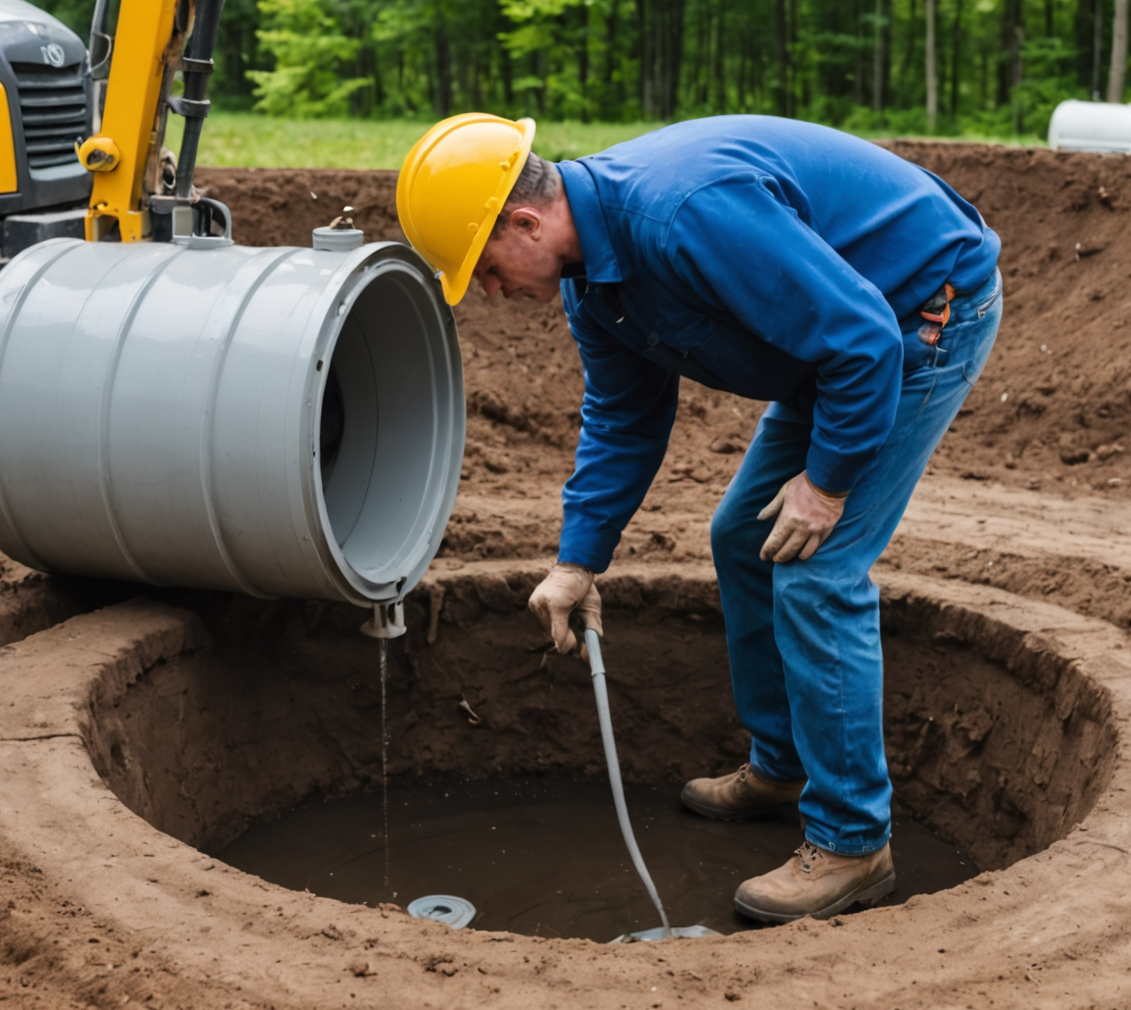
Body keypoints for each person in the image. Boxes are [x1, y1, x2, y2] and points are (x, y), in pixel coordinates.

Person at [395, 114, 1002, 922]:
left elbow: (861, 342)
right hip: (837, 340)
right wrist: (580, 560)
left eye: (487, 269)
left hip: (917, 313)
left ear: (526, 222)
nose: (495, 294)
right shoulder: (597, 288)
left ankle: (855, 843)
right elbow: (623, 417)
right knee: (742, 537)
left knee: (818, 569)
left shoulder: (684, 216)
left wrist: (825, 485)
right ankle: (782, 764)